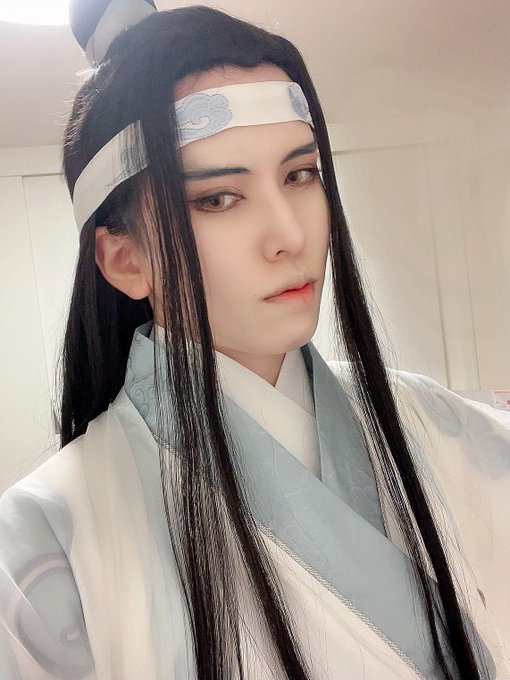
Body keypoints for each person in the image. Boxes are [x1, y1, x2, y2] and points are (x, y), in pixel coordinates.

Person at [0, 1, 509, 678]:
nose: (291, 236)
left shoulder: (444, 428)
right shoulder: (43, 543)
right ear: (124, 259)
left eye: (300, 175)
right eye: (217, 198)